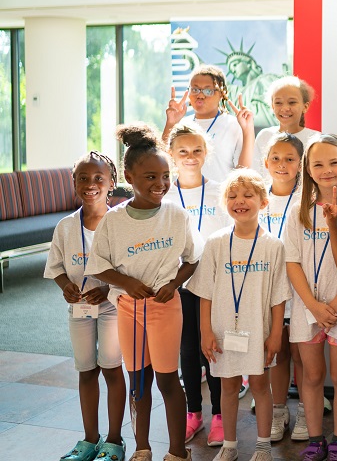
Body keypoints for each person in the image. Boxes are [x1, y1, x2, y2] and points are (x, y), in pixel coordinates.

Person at [85, 123, 202, 461]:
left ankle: (178, 451)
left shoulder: (177, 216)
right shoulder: (113, 220)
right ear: (128, 176)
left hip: (165, 309)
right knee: (138, 384)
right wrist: (127, 283)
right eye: (150, 177)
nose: (160, 184)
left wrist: (172, 284)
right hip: (128, 310)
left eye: (165, 176)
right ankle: (142, 448)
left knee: (168, 381)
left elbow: (191, 261)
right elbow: (98, 266)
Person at [191, 169, 291, 461]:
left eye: (248, 195)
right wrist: (206, 332)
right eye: (233, 196)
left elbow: (278, 296)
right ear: (224, 203)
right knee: (228, 386)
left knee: (261, 385)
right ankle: (230, 445)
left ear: (263, 202)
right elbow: (205, 292)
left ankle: (262, 446)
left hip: (258, 330)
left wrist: (275, 334)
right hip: (223, 331)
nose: (240, 201)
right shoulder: (216, 243)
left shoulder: (273, 245)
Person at [284, 135, 337, 461]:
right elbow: (292, 262)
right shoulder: (298, 212)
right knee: (311, 376)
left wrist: (334, 305)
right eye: (317, 163)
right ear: (307, 169)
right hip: (308, 307)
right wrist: (313, 306)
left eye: (334, 162)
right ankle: (315, 439)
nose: (326, 169)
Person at [45, 152, 127, 461]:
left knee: (111, 368)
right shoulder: (66, 227)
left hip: (112, 307)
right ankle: (90, 440)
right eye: (83, 178)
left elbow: (129, 269)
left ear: (111, 183)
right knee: (86, 370)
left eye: (98, 179)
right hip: (79, 309)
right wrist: (65, 284)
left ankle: (115, 441)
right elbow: (56, 267)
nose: (90, 185)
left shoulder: (121, 223)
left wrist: (108, 288)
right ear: (74, 182)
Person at [164, 123, 232, 447]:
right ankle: (194, 412)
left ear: (206, 153)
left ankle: (219, 414)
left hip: (215, 286)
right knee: (188, 351)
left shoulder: (221, 190)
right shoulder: (164, 196)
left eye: (196, 150)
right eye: (183, 151)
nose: (190, 157)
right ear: (172, 155)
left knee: (212, 350)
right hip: (178, 284)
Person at [259, 132, 308, 442]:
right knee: (275, 352)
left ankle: (305, 408)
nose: (281, 164)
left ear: (300, 164)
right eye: (275, 158)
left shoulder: (308, 200)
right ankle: (279, 409)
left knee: (301, 352)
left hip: (300, 288)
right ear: (265, 162)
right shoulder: (257, 197)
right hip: (267, 289)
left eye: (290, 159)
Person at [162, 64, 255, 183]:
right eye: (195, 89)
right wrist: (170, 123)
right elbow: (163, 163)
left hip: (221, 197)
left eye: (208, 90)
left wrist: (248, 130)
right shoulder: (182, 124)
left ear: (222, 94)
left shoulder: (234, 124)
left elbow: (244, 170)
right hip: (185, 197)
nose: (200, 95)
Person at [253, 75, 320, 177]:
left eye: (292, 102)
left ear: (305, 106)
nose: (285, 108)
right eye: (278, 103)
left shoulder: (316, 140)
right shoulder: (264, 136)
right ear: (272, 106)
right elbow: (256, 176)